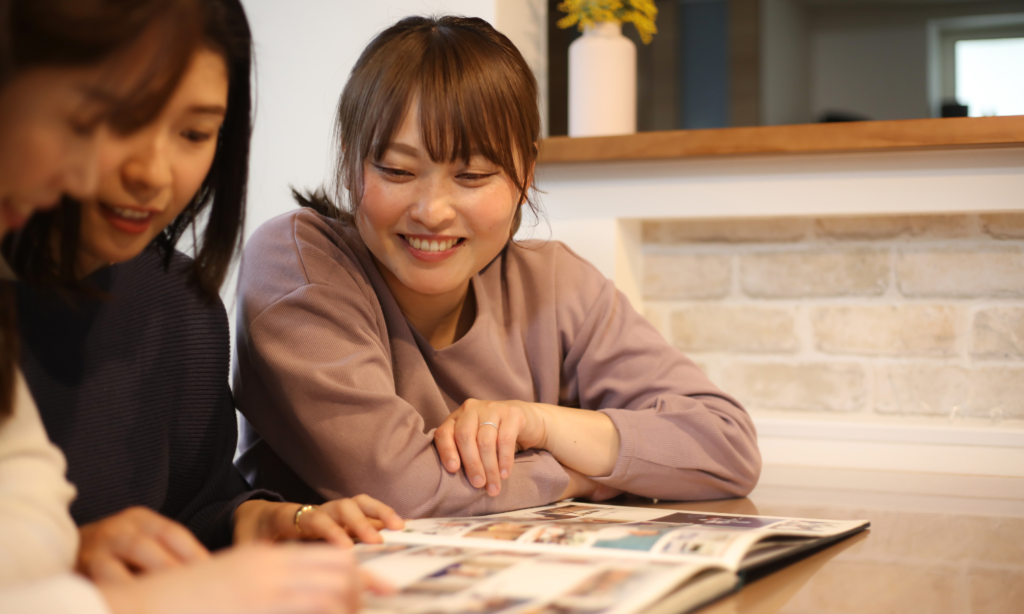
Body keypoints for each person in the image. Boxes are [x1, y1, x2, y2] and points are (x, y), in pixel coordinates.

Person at [232, 15, 761, 520]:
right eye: (397, 170)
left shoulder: (553, 283)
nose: (432, 211)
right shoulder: (296, 263)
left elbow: (726, 444)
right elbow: (401, 488)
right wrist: (587, 476)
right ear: (350, 164)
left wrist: (540, 422)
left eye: (473, 174)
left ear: (525, 175)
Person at [8, 0, 403, 585]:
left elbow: (199, 506)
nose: (153, 172)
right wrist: (60, 563)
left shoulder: (179, 302)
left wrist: (270, 521)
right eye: (121, 118)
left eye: (194, 132)